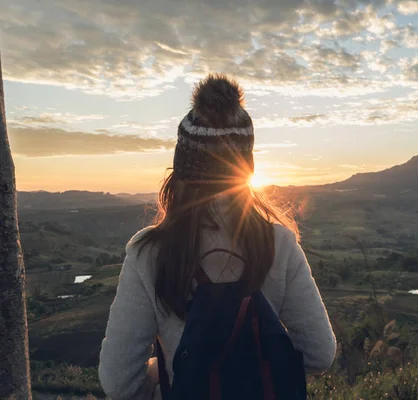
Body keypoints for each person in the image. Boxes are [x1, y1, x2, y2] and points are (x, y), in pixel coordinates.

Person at [98, 74, 336, 400]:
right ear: (245, 168)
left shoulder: (148, 253)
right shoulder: (279, 243)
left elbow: (118, 383)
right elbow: (320, 353)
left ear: (181, 169)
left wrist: (159, 371)